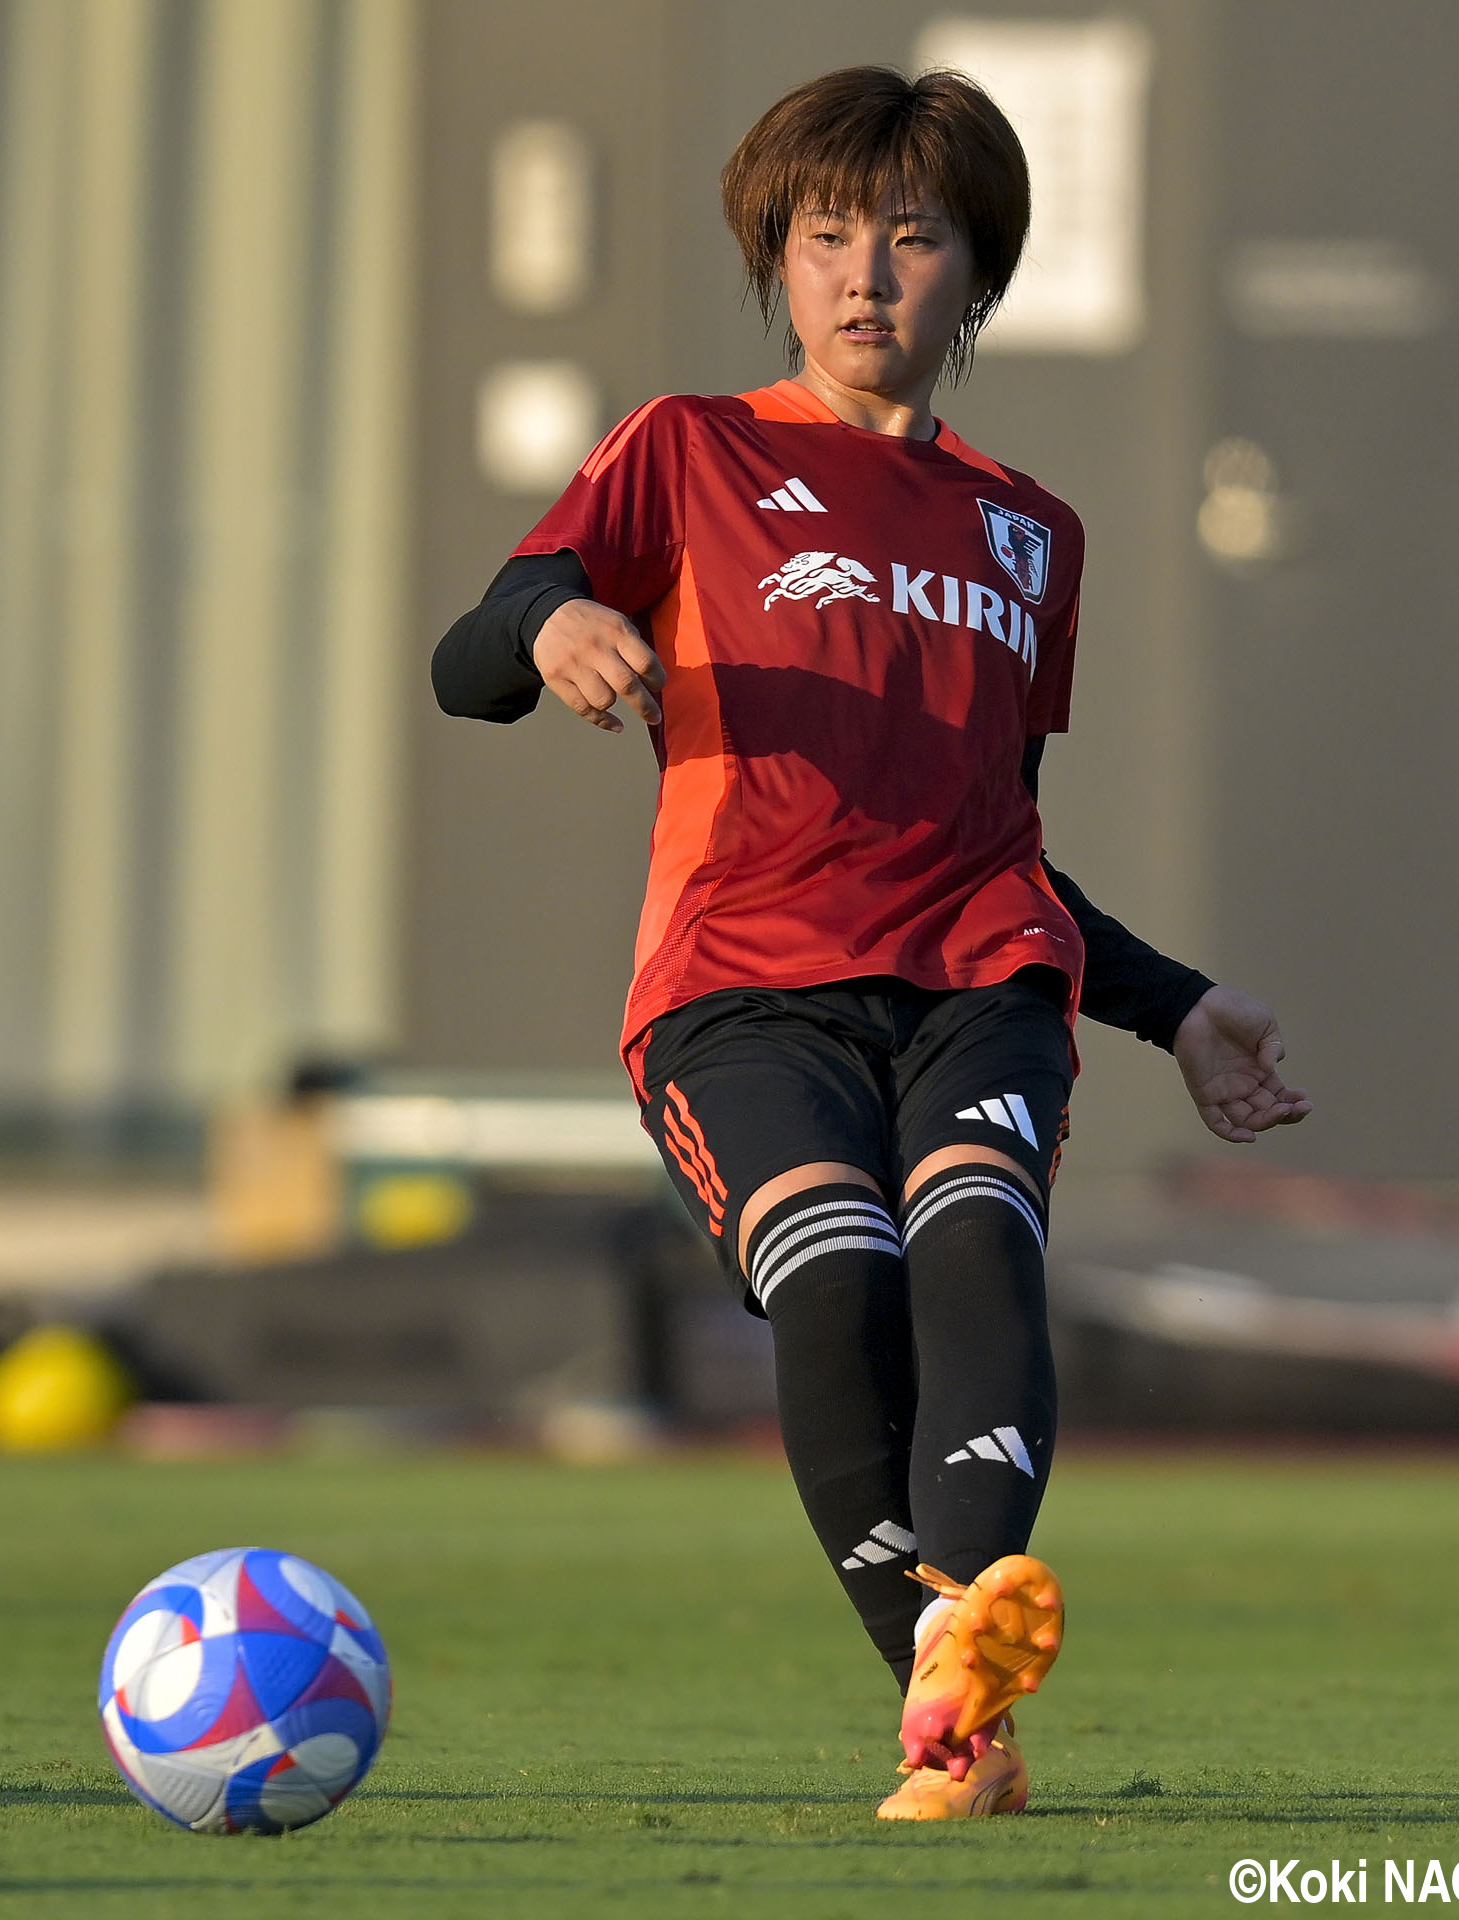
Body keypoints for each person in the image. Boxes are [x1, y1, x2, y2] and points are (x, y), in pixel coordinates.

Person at [431, 65, 1310, 1819]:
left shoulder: (1030, 534)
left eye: (912, 239)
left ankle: (950, 1695)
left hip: (982, 988)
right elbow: (473, 652)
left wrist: (1178, 1006)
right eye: (827, 236)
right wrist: (554, 623)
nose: (864, 275)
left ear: (975, 273)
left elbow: (996, 840)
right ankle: (955, 1678)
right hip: (741, 996)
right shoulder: (690, 450)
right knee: (839, 1288)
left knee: (974, 1252)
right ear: (778, 256)